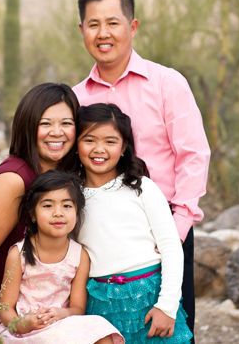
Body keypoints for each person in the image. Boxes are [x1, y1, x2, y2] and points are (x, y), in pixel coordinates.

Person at [74, 0, 211, 342]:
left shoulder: (167, 83)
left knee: (172, 325)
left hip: (165, 223)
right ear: (82, 30)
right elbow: (45, 146)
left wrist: (178, 225)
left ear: (132, 27)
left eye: (113, 23)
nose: (103, 33)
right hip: (101, 237)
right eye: (93, 24)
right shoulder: (75, 98)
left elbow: (194, 155)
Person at [0, 83, 80, 344]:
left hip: (47, 315)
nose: (57, 133)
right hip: (4, 318)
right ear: (27, 125)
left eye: (66, 123)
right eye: (45, 124)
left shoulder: (61, 175)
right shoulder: (13, 180)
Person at [76, 103, 192, 344]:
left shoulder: (141, 188)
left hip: (149, 296)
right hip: (99, 301)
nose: (99, 149)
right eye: (89, 140)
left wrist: (167, 306)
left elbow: (171, 246)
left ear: (124, 147)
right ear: (76, 145)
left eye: (110, 141)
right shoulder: (70, 196)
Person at [0, 170, 124, 344]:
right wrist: (23, 324)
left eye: (67, 206)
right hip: (23, 329)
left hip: (59, 324)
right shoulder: (18, 253)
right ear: (32, 214)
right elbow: (5, 308)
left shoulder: (79, 255)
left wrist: (63, 313)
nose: (58, 213)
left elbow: (78, 307)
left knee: (101, 331)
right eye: (47, 205)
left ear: (77, 212)